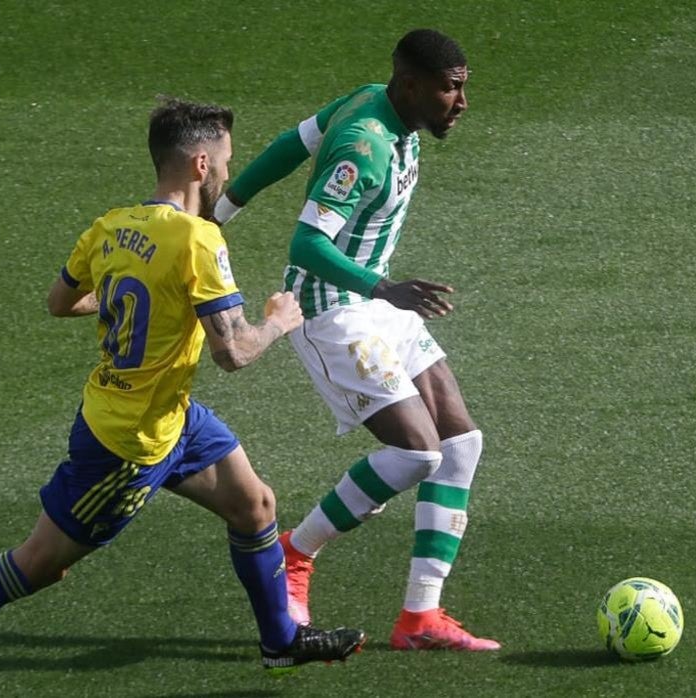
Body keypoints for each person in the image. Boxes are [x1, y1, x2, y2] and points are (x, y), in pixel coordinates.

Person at [0, 98, 366, 697]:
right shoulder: (199, 241)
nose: (229, 171)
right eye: (226, 161)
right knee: (39, 563)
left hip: (169, 414)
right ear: (201, 164)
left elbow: (60, 301)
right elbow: (235, 354)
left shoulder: (112, 226)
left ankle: (280, 641)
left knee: (254, 505)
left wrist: (143, 302)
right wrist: (279, 320)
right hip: (130, 445)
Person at [210, 29, 498, 651]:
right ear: (412, 85)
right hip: (332, 310)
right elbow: (307, 245)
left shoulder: (375, 103)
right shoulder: (362, 146)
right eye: (451, 90)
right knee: (419, 454)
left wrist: (220, 212)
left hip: (376, 303)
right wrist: (383, 285)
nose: (461, 103)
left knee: (461, 443)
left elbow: (292, 143)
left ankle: (420, 617)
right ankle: (295, 552)